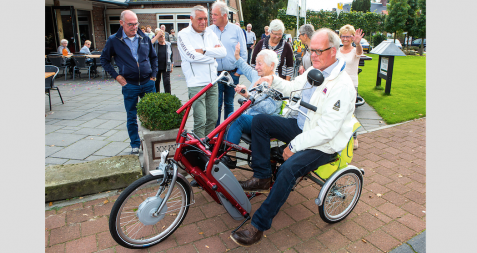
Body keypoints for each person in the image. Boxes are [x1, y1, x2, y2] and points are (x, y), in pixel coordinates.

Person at [230, 28, 357, 247]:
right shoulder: (314, 72)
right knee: (260, 121)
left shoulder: (342, 86)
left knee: (289, 169)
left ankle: (259, 225)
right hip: (303, 126)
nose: (313, 55)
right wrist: (271, 79)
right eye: (311, 50)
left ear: (333, 52)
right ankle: (262, 176)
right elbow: (291, 87)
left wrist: (294, 146)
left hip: (323, 143)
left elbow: (327, 131)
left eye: (318, 51)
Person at [100, 10, 158, 155]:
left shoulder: (143, 37)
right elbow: (104, 60)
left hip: (147, 82)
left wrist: (154, 75)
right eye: (130, 24)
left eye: (136, 23)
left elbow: (154, 57)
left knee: (152, 113)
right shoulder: (114, 40)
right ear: (122, 23)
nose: (134, 27)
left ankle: (152, 143)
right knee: (131, 115)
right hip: (130, 84)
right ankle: (135, 144)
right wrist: (116, 76)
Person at [221, 43, 282, 168]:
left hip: (264, 121)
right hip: (252, 117)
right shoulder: (257, 75)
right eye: (256, 63)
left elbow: (269, 108)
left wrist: (249, 96)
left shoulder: (277, 83)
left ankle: (230, 156)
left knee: (238, 118)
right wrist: (237, 56)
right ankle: (222, 151)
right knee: (231, 115)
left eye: (260, 64)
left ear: (271, 66)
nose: (256, 67)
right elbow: (245, 67)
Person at [177, 5, 226, 138]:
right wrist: (212, 58)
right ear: (191, 18)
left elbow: (223, 52)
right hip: (196, 83)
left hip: (212, 81)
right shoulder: (183, 34)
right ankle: (199, 151)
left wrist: (205, 51)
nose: (203, 22)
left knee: (213, 118)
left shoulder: (210, 33)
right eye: (199, 19)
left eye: (205, 18)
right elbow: (191, 56)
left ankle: (208, 147)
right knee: (200, 120)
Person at [209, 1, 248, 126]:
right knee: (216, 105)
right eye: (212, 14)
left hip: (232, 74)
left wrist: (238, 73)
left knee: (229, 104)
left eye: (215, 14)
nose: (212, 17)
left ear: (224, 15)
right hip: (215, 75)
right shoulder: (209, 31)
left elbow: (244, 53)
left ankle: (227, 132)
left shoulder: (236, 30)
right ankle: (215, 136)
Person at [336, 24, 364, 149]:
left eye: (348, 36)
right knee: (337, 109)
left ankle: (354, 137)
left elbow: (359, 52)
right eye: (343, 36)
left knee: (351, 111)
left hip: (351, 85)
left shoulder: (355, 50)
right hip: (338, 84)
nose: (345, 39)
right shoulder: (336, 51)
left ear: (352, 37)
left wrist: (358, 43)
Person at [151, 29, 173, 94]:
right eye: (160, 36)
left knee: (167, 83)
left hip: (166, 66)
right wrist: (157, 36)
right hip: (156, 67)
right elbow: (149, 44)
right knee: (156, 83)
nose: (162, 38)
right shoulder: (155, 44)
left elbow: (171, 55)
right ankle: (157, 97)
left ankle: (168, 97)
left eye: (163, 36)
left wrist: (171, 65)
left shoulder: (168, 44)